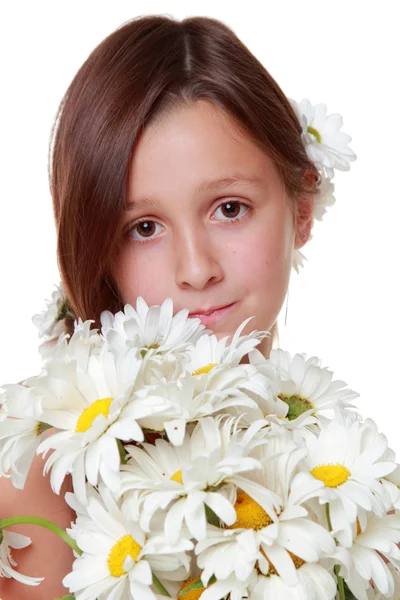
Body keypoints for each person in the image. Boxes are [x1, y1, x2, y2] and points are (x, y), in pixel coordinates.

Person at [0, 13, 319, 599]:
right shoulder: (32, 486)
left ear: (301, 209)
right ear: (98, 251)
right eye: (144, 227)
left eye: (229, 208)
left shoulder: (338, 492)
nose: (196, 269)